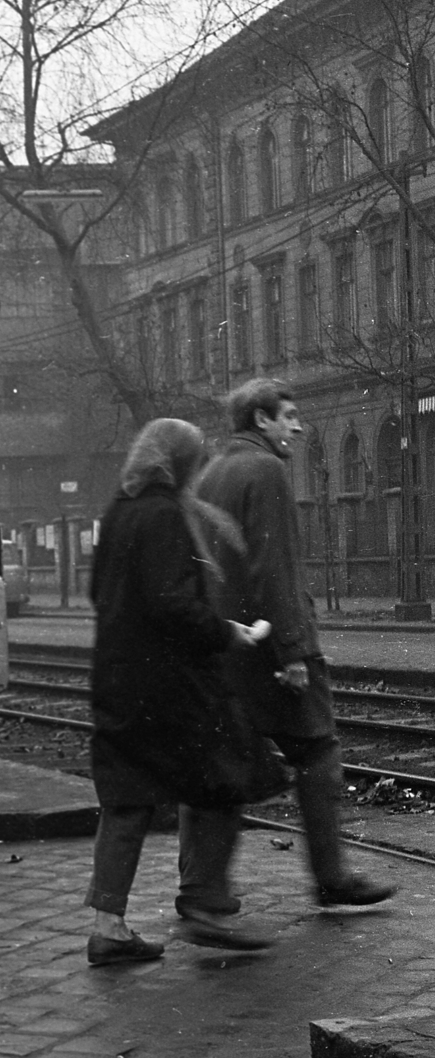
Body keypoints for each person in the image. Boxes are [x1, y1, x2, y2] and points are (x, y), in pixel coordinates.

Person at [194, 379, 394, 911]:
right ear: (261, 420)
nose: (299, 427)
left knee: (227, 764)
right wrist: (294, 652)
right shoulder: (266, 470)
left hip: (224, 648)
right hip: (268, 651)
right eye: (289, 416)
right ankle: (330, 877)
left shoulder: (210, 472)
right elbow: (274, 567)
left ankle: (202, 889)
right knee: (319, 751)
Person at [85, 419, 273, 966]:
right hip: (169, 687)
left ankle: (109, 926)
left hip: (117, 680)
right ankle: (205, 905)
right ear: (182, 463)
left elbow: (101, 590)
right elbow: (171, 602)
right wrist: (225, 631)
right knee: (227, 777)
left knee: (125, 803)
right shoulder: (166, 513)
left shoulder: (120, 508)